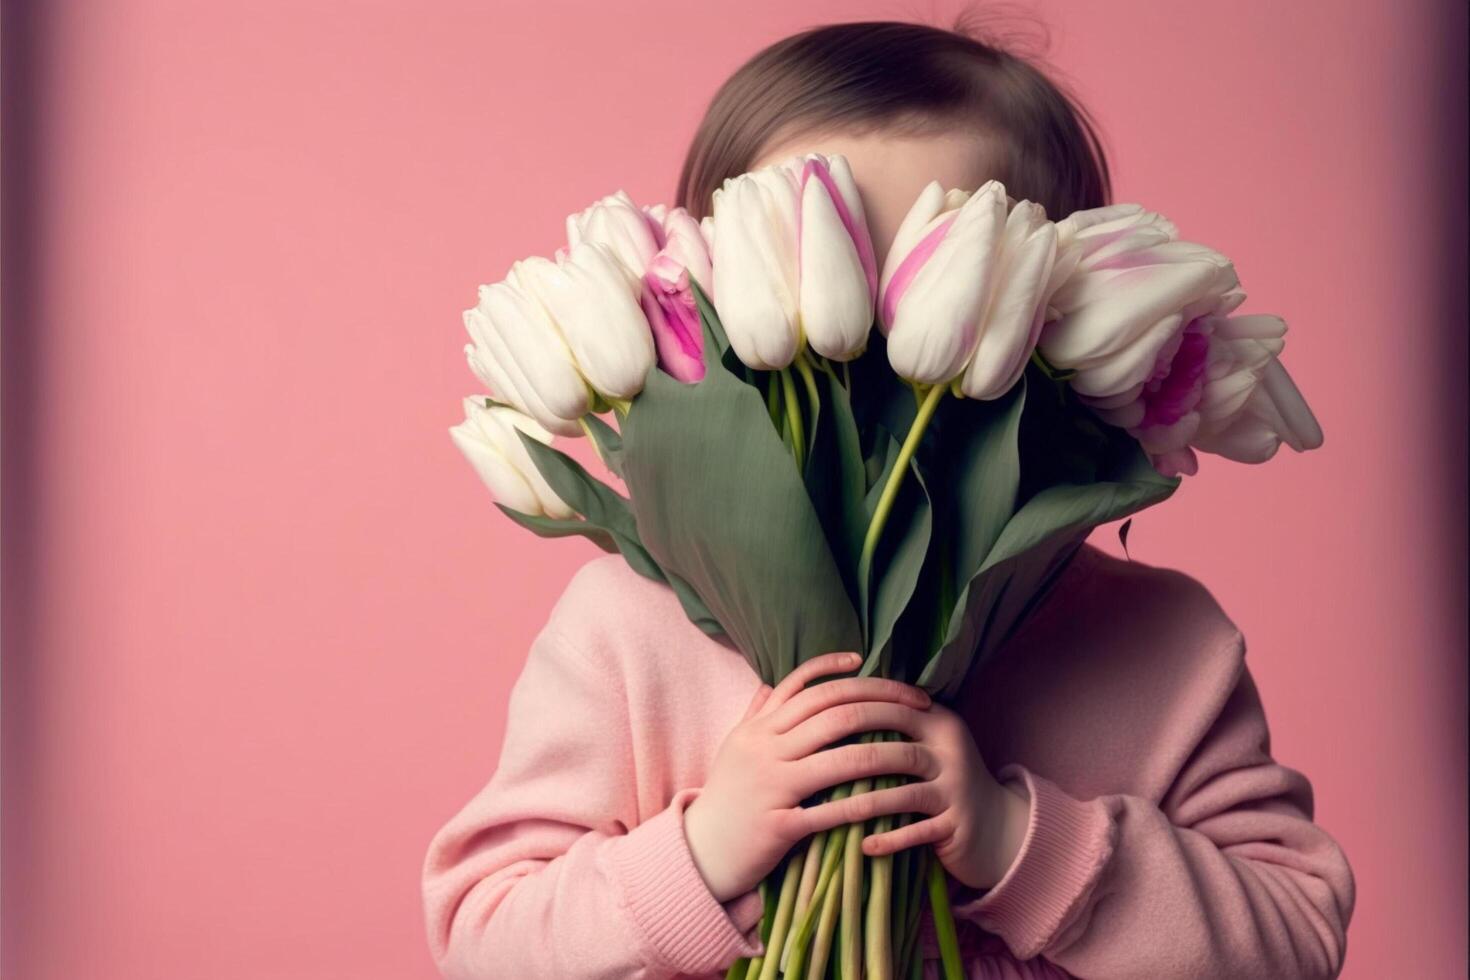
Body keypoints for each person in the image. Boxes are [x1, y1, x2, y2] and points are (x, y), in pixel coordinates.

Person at [421, 19, 1356, 980]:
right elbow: (485, 941)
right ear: (701, 290)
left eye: (927, 279)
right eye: (826, 273)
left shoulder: (1162, 641)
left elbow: (1293, 944)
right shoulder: (629, 629)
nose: (855, 363)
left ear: (1056, 308)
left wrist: (1019, 844)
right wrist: (705, 851)